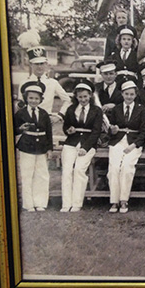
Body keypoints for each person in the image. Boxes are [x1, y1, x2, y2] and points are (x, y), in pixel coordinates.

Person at [106, 78, 145, 214]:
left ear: (135, 95)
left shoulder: (141, 109)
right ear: (122, 94)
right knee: (113, 168)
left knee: (127, 167)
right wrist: (112, 130)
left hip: (134, 143)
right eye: (126, 94)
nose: (129, 97)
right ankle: (114, 201)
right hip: (117, 142)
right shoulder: (117, 109)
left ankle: (124, 200)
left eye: (132, 94)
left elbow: (143, 131)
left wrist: (134, 145)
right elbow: (110, 129)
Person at [60, 79, 103, 212]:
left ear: (90, 95)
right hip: (71, 142)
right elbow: (65, 126)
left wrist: (86, 147)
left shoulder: (96, 110)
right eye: (80, 97)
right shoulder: (71, 109)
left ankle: (77, 203)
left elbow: (96, 131)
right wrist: (69, 130)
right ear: (76, 97)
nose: (83, 99)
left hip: (88, 144)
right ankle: (66, 203)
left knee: (79, 169)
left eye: (85, 96)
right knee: (67, 170)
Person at [14, 81, 53, 212]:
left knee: (42, 174)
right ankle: (28, 204)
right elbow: (13, 130)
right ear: (26, 98)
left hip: (41, 147)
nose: (33, 101)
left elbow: (49, 132)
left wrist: (49, 148)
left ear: (41, 100)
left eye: (36, 98)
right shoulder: (20, 113)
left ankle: (40, 202)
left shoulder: (44, 113)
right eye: (31, 98)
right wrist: (20, 128)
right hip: (27, 146)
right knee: (27, 174)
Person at [18, 46, 71, 122]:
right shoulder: (24, 83)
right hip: (28, 121)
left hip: (46, 120)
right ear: (30, 64)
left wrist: (59, 115)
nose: (39, 67)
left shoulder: (53, 83)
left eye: (41, 63)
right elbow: (20, 104)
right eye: (36, 64)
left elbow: (67, 100)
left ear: (46, 64)